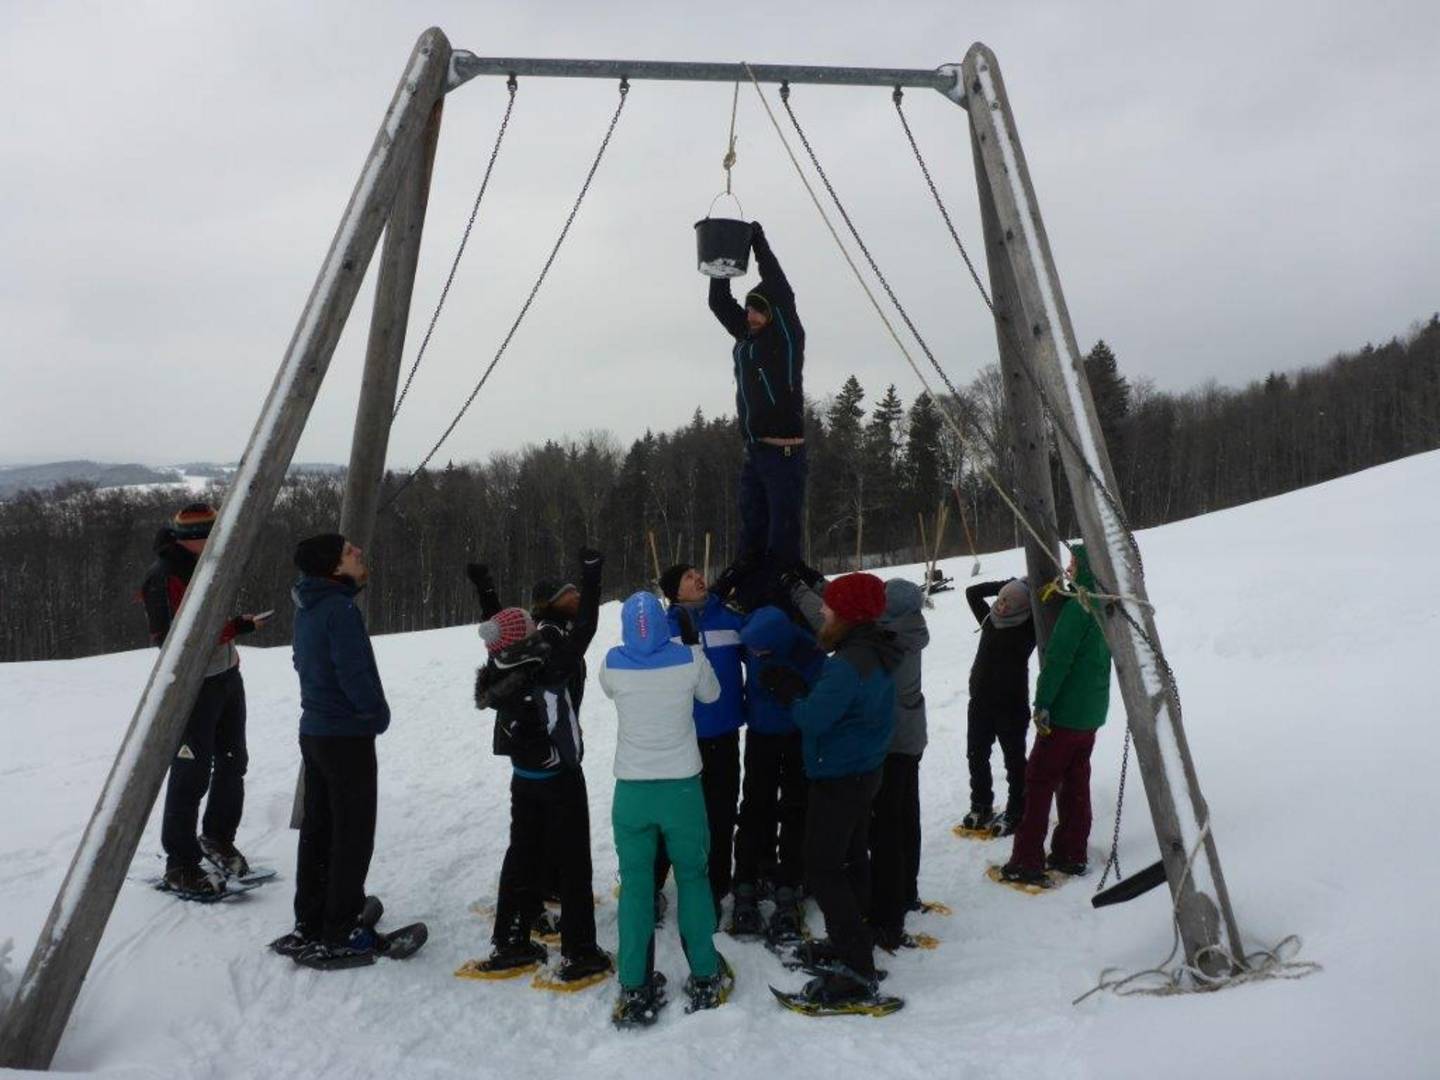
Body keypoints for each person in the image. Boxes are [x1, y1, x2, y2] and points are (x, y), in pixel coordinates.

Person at [472, 549, 612, 983]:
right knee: (574, 862)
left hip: (525, 775)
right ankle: (579, 952)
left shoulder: (504, 660)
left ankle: (511, 941)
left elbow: (501, 626)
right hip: (558, 774)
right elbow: (585, 628)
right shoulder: (548, 657)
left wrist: (486, 591)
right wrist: (592, 578)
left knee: (523, 852)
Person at [766, 572, 901, 1008]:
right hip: (863, 770)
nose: (822, 610)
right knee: (850, 858)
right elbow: (846, 705)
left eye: (830, 605)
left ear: (849, 614)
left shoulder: (847, 663)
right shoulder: (872, 648)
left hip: (841, 775)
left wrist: (791, 694)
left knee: (823, 866)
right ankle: (851, 943)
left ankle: (857, 972)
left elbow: (812, 719)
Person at [599, 591, 733, 1025]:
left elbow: (609, 689)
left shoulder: (612, 662)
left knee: (636, 887)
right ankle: (705, 974)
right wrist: (693, 645)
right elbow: (712, 694)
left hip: (632, 793)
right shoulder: (687, 659)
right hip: (681, 791)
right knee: (692, 878)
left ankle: (634, 983)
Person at [141, 501, 268, 897]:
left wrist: (231, 631)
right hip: (192, 687)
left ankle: (217, 838)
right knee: (191, 773)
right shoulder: (164, 575)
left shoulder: (207, 565)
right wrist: (236, 627)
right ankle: (180, 863)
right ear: (192, 539)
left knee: (233, 761)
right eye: (212, 534)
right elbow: (172, 638)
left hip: (226, 675)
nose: (219, 540)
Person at [275, 534, 390, 968]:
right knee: (351, 834)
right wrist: (374, 713)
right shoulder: (339, 610)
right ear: (333, 567)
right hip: (345, 737)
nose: (358, 552)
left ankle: (312, 919)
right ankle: (342, 930)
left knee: (320, 828)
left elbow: (301, 662)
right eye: (348, 551)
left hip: (316, 733)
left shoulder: (308, 603)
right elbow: (352, 672)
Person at [707, 222, 807, 609]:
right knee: (751, 534)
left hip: (784, 455)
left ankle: (783, 601)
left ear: (772, 312)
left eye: (757, 309)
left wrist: (757, 243)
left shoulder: (786, 336)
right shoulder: (747, 337)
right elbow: (719, 303)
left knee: (782, 538)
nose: (749, 315)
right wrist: (720, 262)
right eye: (748, 309)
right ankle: (744, 597)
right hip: (756, 453)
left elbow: (779, 286)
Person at [1001, 546, 1113, 886]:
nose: (1069, 568)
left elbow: (1058, 660)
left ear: (1087, 567)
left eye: (1075, 563)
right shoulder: (1103, 603)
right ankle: (1070, 852)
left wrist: (1043, 703)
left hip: (1065, 714)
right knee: (1076, 781)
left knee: (1038, 783)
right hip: (1090, 714)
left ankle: (1026, 860)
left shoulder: (1079, 609)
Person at [656, 563, 746, 916]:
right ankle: (652, 884)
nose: (698, 578)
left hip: (724, 735)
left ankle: (716, 886)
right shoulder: (664, 629)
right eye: (688, 577)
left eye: (697, 573)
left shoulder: (728, 617)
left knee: (721, 814)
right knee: (674, 816)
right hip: (682, 739)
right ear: (674, 592)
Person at [730, 604, 822, 942]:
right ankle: (746, 878)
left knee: (796, 808)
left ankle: (790, 882)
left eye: (760, 651)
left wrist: (795, 690)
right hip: (760, 736)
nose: (754, 654)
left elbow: (819, 693)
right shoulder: (754, 633)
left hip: (797, 736)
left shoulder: (807, 650)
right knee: (755, 806)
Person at [868, 578, 930, 951]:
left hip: (891, 742)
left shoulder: (887, 638)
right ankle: (907, 891)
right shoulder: (910, 628)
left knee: (887, 826)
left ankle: (889, 903)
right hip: (909, 738)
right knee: (906, 817)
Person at [962, 577, 1039, 836]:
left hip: (1011, 706)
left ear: (1023, 606)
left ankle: (1017, 809)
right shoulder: (989, 619)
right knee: (976, 755)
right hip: (980, 702)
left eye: (1009, 602)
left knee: (1014, 762)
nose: (1003, 605)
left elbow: (1047, 604)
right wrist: (1008, 585)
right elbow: (972, 592)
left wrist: (1029, 589)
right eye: (1001, 600)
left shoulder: (1029, 627)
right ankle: (981, 804)